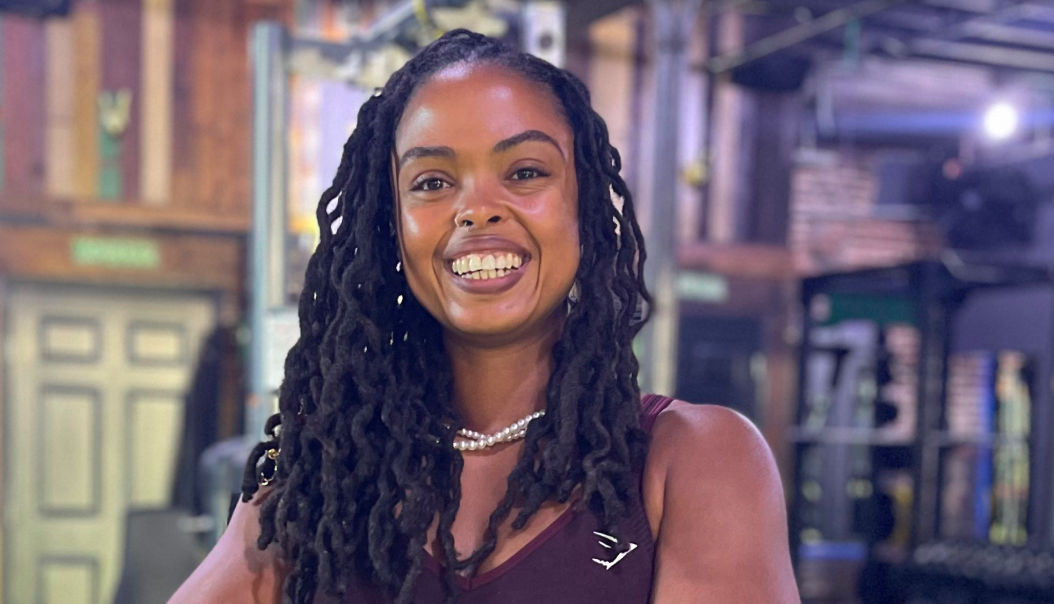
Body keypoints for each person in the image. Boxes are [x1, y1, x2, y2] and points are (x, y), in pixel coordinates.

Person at [168, 29, 799, 604]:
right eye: (432, 183)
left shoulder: (698, 460)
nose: (476, 210)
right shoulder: (321, 470)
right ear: (392, 226)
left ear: (583, 209)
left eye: (525, 172)